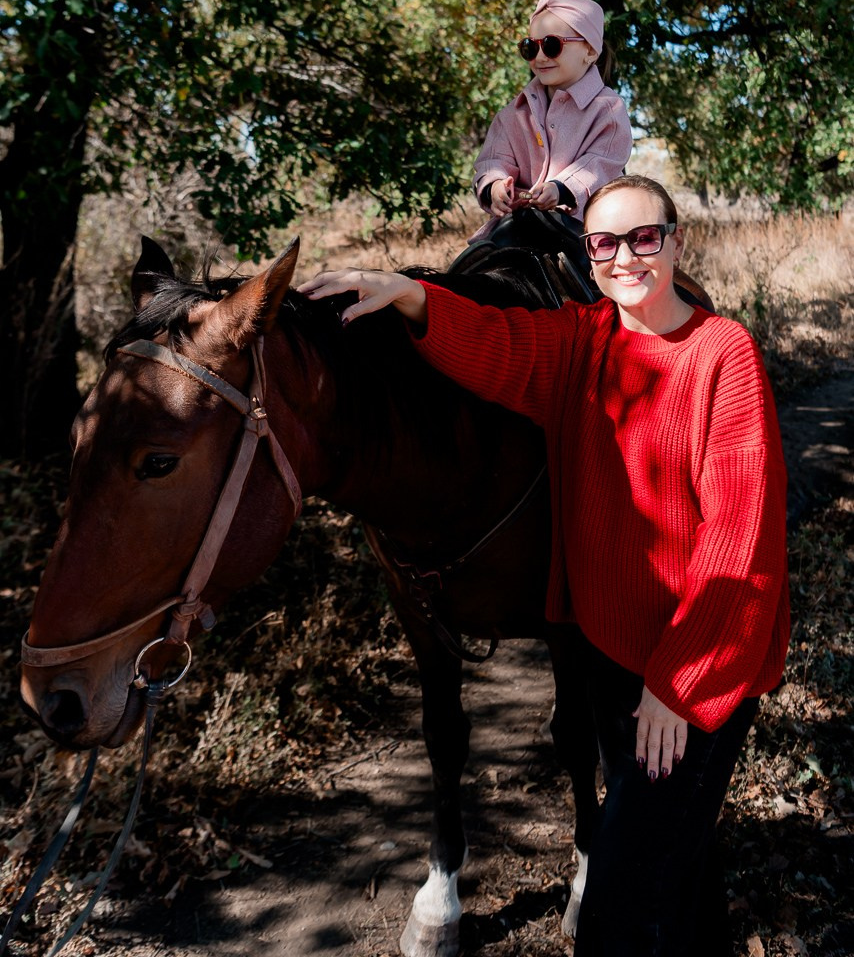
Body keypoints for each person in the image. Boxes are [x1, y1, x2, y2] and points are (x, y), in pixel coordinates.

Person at [298, 174, 790, 957]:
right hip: (613, 662)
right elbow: (495, 345)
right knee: (682, 877)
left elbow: (741, 540)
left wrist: (678, 688)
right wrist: (406, 292)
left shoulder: (721, 353)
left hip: (694, 674)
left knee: (620, 913)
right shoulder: (583, 340)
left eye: (644, 238)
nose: (624, 256)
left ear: (676, 241)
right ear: (586, 255)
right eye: (604, 243)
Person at [470, 0, 632, 240]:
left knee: (597, 271)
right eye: (530, 47)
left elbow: (603, 161)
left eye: (552, 45)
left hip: (585, 228)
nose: (540, 57)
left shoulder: (608, 109)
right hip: (514, 227)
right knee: (470, 267)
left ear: (589, 50)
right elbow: (495, 159)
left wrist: (563, 189)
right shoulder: (512, 114)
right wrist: (494, 185)